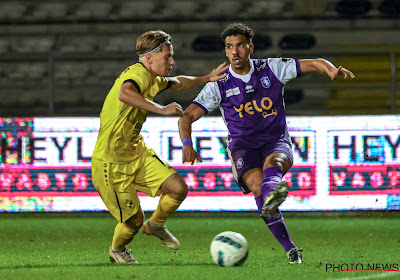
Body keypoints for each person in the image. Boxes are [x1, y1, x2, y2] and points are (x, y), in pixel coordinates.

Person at [178, 23, 355, 264]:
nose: (235, 52)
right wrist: (187, 143)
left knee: (275, 164)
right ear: (226, 51)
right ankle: (290, 246)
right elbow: (187, 116)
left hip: (275, 140)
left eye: (240, 45)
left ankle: (274, 193)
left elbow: (314, 62)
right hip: (242, 147)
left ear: (250, 47)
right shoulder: (218, 84)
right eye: (229, 47)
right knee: (256, 184)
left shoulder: (271, 68)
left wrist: (331, 70)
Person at [91, 30, 228, 264]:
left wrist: (206, 78)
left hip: (135, 153)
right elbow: (125, 93)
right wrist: (161, 109)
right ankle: (117, 249)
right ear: (149, 57)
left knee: (177, 188)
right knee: (133, 222)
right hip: (110, 163)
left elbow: (178, 82)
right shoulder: (138, 74)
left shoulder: (152, 78)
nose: (172, 61)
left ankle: (155, 225)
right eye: (167, 57)